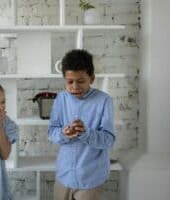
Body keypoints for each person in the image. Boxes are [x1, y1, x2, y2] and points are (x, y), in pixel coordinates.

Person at [48, 49, 115, 200]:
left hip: (91, 179)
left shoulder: (104, 100)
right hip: (64, 176)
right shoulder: (60, 99)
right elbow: (52, 132)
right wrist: (64, 134)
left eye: (81, 81)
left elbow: (109, 139)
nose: (75, 87)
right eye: (69, 81)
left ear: (91, 78)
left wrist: (86, 133)